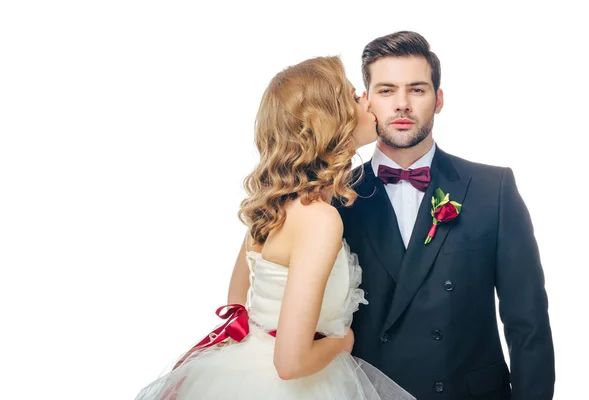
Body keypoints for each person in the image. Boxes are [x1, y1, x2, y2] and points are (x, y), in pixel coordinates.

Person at [134, 56, 415, 400]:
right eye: (356, 97)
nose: (369, 101)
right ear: (331, 121)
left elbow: (238, 303)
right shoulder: (320, 219)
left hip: (245, 372)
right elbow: (290, 363)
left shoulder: (272, 208)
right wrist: (342, 342)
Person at [337, 31, 555, 400]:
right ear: (366, 100)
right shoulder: (335, 198)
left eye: (417, 90)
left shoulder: (493, 189)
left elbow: (527, 325)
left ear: (438, 100)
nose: (402, 104)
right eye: (387, 90)